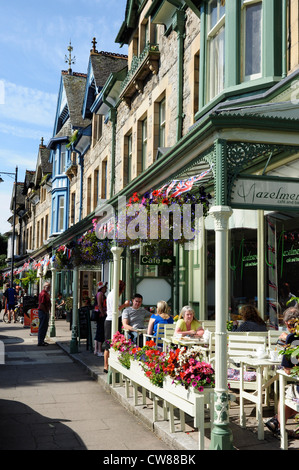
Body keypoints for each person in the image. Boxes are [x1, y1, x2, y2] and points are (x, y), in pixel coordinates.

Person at [265, 307, 299, 438]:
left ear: (286, 323)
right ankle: (276, 423)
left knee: (287, 392)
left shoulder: (293, 338)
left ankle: (278, 425)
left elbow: (288, 369)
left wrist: (286, 342)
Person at [103, 280, 130, 373]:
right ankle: (108, 365)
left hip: (110, 319)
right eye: (123, 289)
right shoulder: (114, 295)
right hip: (112, 320)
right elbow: (116, 309)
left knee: (110, 344)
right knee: (112, 343)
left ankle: (106, 366)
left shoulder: (111, 294)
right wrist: (125, 305)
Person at [94, 282, 108, 357]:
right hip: (100, 315)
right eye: (105, 287)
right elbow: (99, 304)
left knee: (98, 331)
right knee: (101, 331)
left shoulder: (99, 294)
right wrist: (102, 313)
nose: (106, 288)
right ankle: (99, 350)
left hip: (99, 314)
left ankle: (96, 350)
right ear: (102, 288)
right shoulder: (100, 294)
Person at [37, 282, 51, 346]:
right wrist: (46, 311)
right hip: (43, 312)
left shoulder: (46, 293)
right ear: (44, 287)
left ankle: (42, 340)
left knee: (44, 327)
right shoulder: (43, 294)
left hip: (44, 311)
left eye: (49, 287)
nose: (49, 288)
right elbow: (42, 304)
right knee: (42, 326)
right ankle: (40, 341)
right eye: (47, 287)